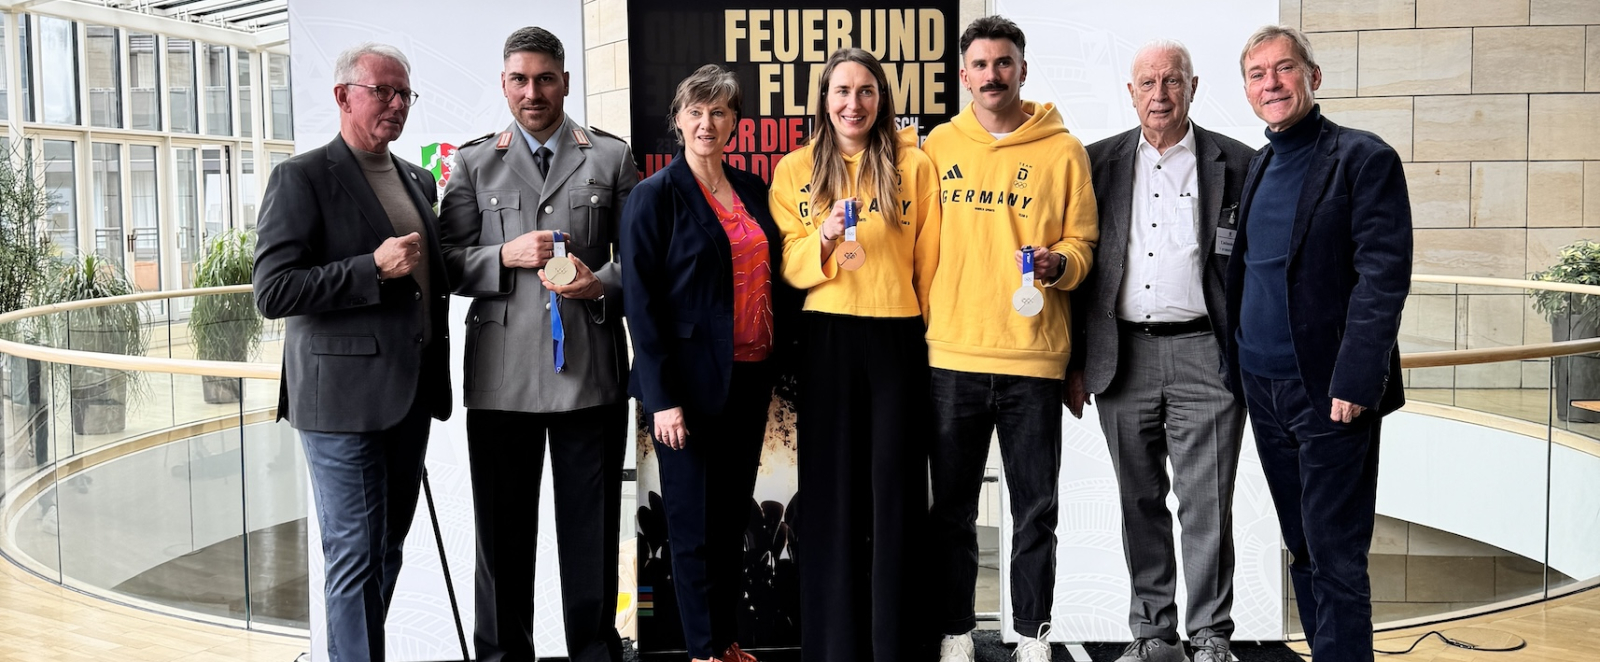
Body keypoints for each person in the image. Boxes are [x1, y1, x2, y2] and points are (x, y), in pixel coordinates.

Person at [437, 26, 638, 662]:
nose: (533, 92)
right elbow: (443, 262)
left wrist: (597, 282)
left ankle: (594, 653)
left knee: (591, 537)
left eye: (545, 78)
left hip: (590, 374)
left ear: (565, 83)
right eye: (520, 79)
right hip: (502, 379)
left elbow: (642, 262)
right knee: (501, 540)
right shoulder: (472, 163)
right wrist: (504, 254)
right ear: (503, 85)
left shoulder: (610, 157)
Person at [253, 43, 450, 662]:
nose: (396, 104)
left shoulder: (417, 180)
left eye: (404, 94)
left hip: (408, 395)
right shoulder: (302, 176)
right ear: (343, 95)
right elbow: (273, 290)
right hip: (339, 405)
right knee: (355, 555)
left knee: (385, 549)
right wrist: (371, 267)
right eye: (382, 91)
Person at [1227, 25, 1411, 662]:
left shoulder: (1364, 158)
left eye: (1283, 69)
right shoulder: (1260, 164)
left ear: (1313, 77)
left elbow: (1383, 277)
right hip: (1263, 386)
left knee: (1335, 552)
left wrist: (1357, 381)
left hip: (1330, 392)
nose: (1271, 83)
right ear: (1248, 90)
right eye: (1258, 74)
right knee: (1301, 545)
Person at [918, 16, 1097, 662]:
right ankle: (958, 630)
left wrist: (1061, 265)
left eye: (1004, 63)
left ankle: (1032, 632)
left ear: (1022, 69)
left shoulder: (1064, 151)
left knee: (1035, 510)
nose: (993, 75)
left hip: (1033, 361)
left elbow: (1084, 246)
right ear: (963, 75)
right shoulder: (937, 147)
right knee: (952, 514)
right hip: (951, 359)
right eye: (981, 65)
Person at [1075, 39, 1257, 662]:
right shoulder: (1096, 163)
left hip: (1206, 355)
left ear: (1194, 86)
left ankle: (1209, 636)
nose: (1160, 94)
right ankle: (1152, 634)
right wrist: (1075, 362)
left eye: (1172, 81)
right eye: (1147, 83)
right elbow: (1080, 265)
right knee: (1139, 501)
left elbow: (1257, 268)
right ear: (1130, 92)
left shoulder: (1238, 163)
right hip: (1121, 356)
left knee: (1207, 503)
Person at [768, 47, 941, 662]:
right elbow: (788, 267)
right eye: (841, 92)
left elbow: (929, 260)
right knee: (831, 495)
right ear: (824, 100)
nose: (853, 104)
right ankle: (833, 645)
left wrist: (925, 333)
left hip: (897, 335)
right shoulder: (794, 171)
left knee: (896, 495)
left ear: (881, 99)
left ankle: (895, 643)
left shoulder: (913, 166)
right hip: (828, 337)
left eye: (865, 92)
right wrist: (824, 239)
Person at [621, 64, 794, 662]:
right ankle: (700, 650)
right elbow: (642, 308)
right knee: (692, 527)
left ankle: (726, 641)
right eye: (695, 111)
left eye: (719, 111)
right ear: (677, 120)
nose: (706, 122)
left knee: (727, 521)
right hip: (686, 391)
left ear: (735, 123)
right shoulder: (654, 196)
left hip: (749, 377)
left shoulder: (752, 190)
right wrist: (661, 398)